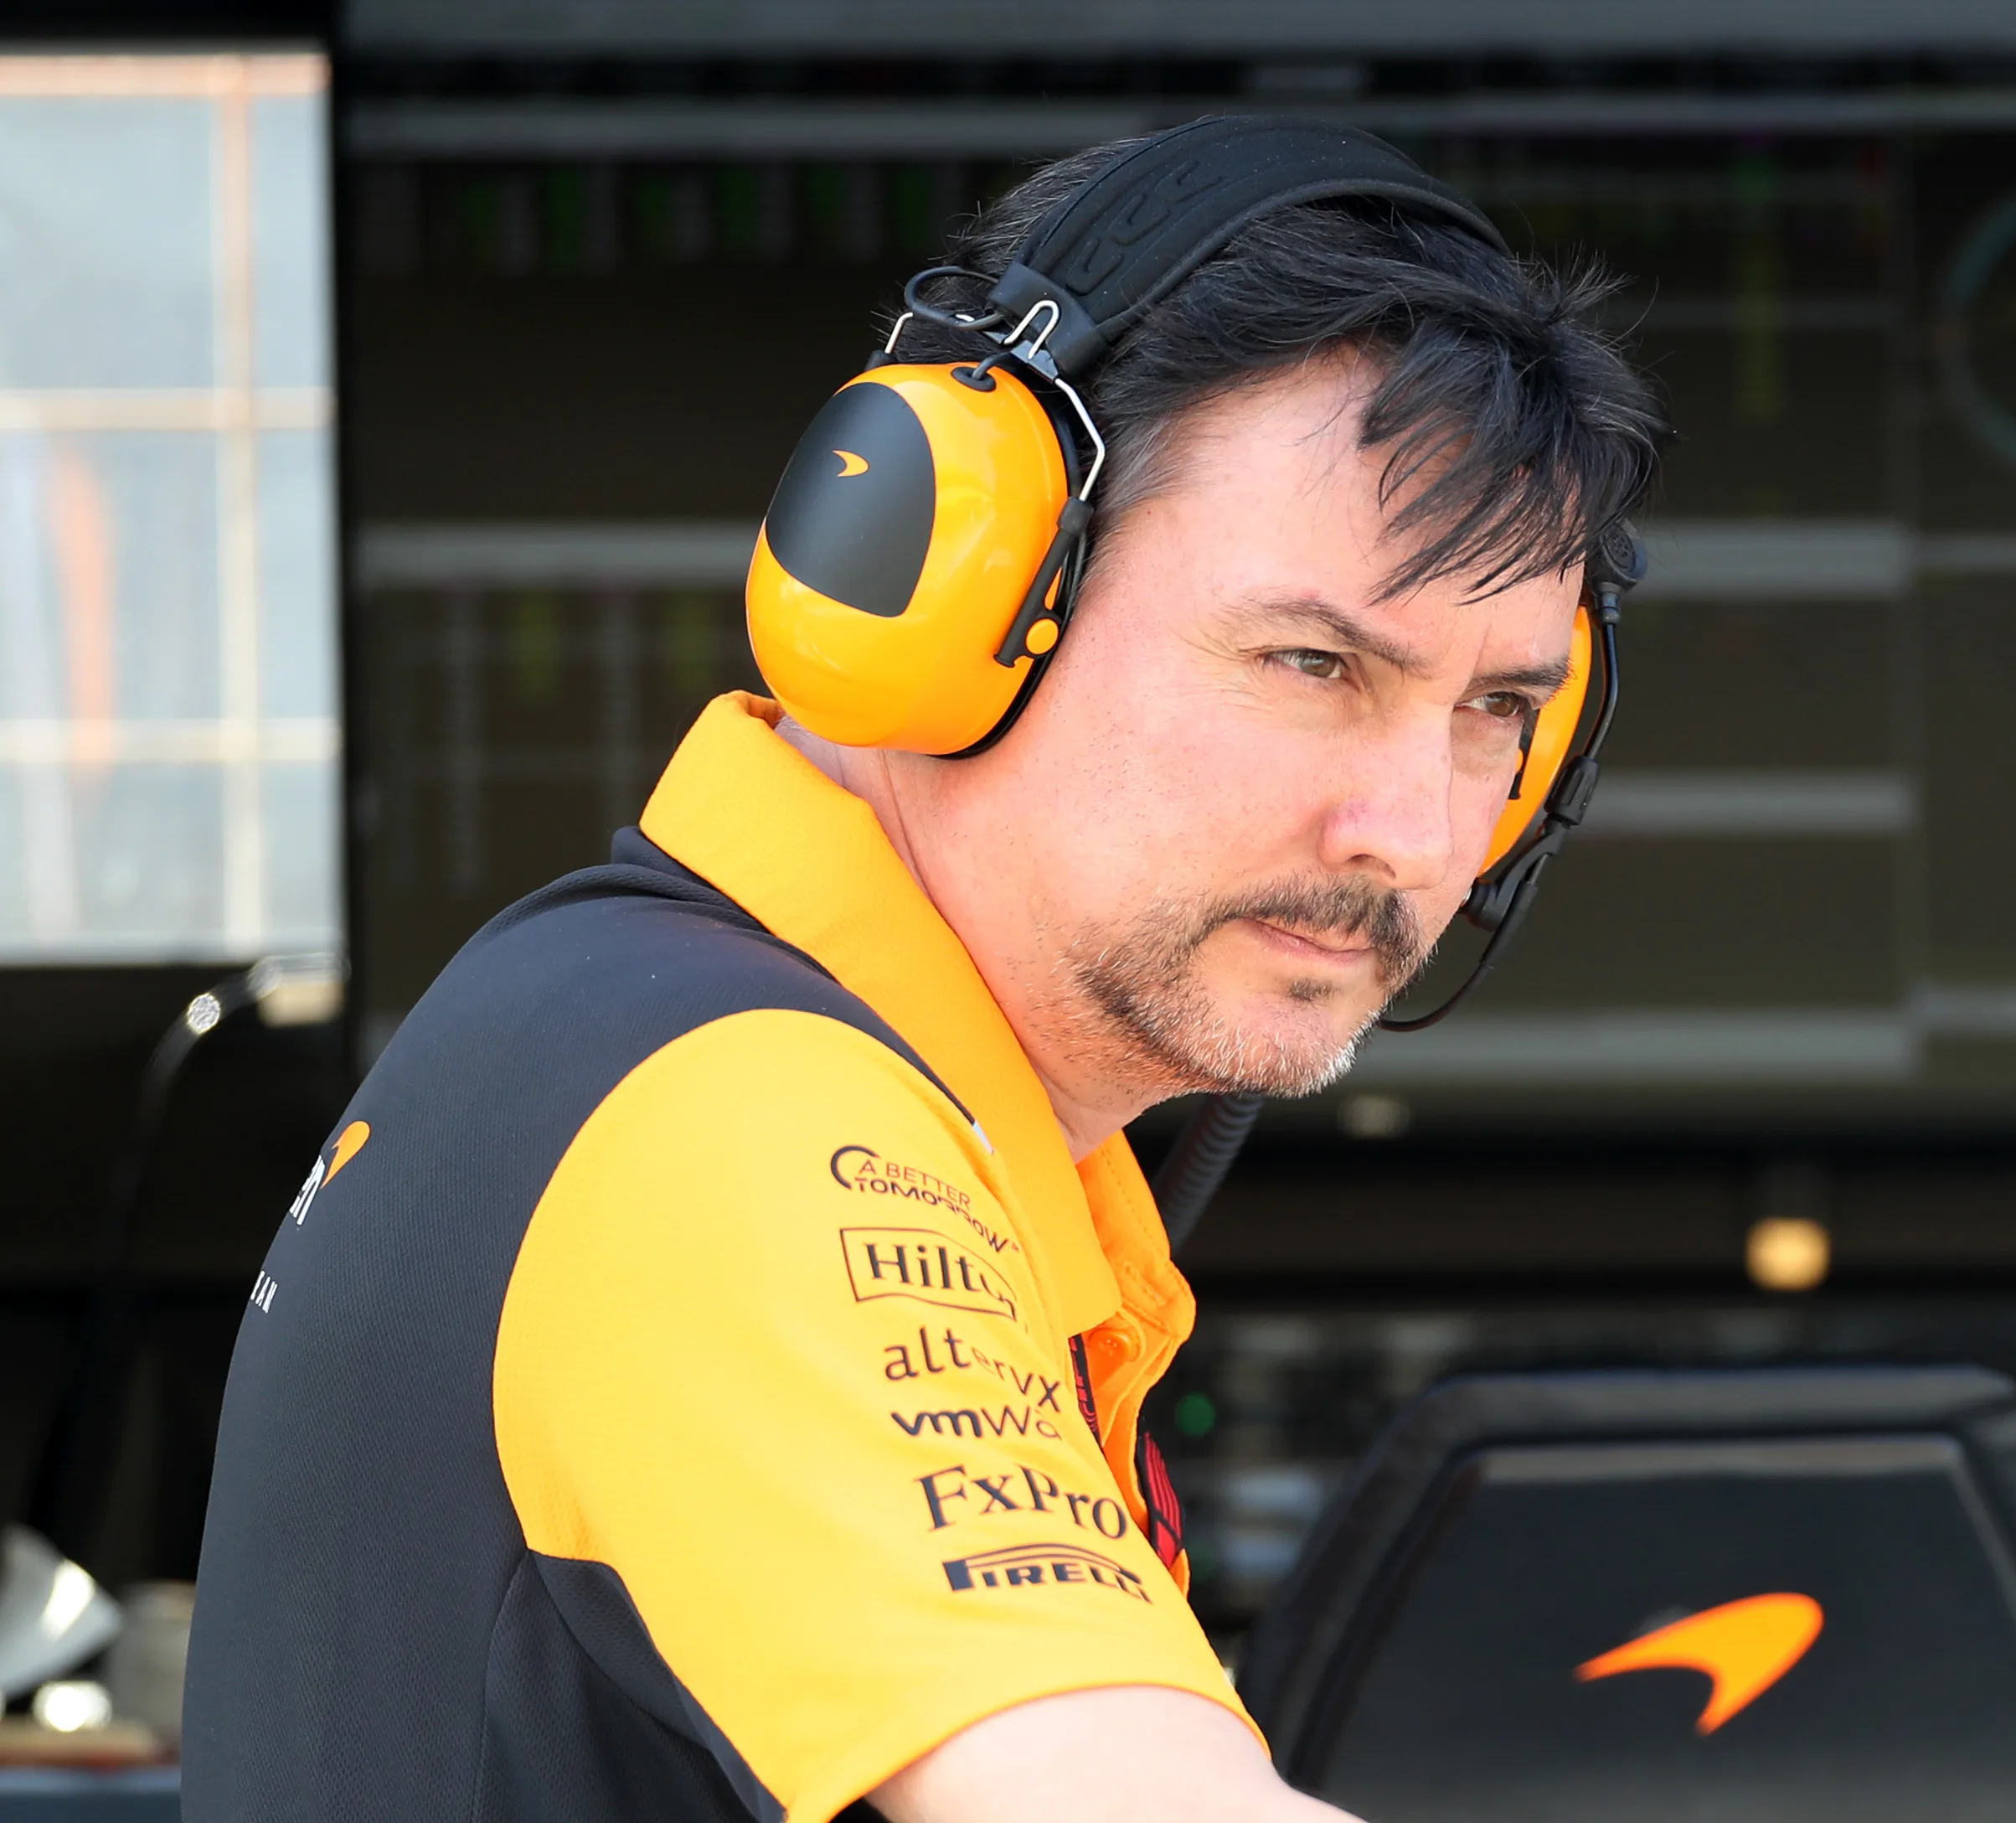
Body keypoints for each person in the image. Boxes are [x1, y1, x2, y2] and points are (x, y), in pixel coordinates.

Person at [183, 119, 1663, 1823]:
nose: (1410, 829)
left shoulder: (660, 1039)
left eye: (1497, 712)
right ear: (931, 594)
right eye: (1310, 659)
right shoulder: (742, 1127)